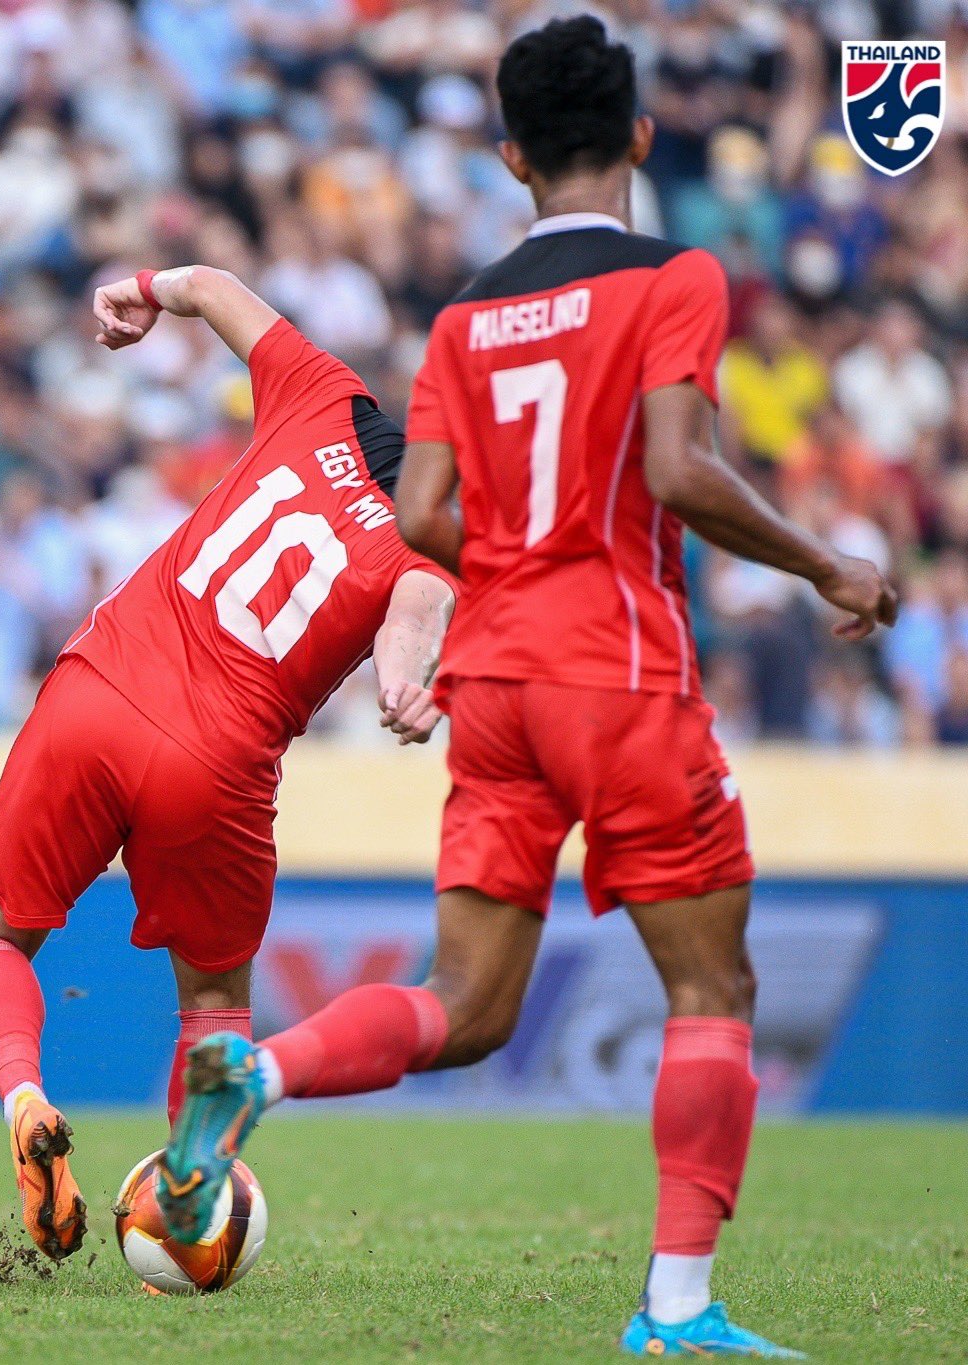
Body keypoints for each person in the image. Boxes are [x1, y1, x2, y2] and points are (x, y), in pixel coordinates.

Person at [162, 19, 895, 1358]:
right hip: (616, 667)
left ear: (508, 156)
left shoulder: (464, 319)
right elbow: (676, 471)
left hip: (492, 679)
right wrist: (825, 563)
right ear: (640, 137)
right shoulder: (676, 277)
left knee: (469, 1004)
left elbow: (425, 507)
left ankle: (258, 1065)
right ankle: (677, 1312)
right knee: (711, 992)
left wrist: (504, 576)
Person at [0, 262, 457, 1263]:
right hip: (216, 760)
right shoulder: (434, 548)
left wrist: (139, 286)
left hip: (96, 690)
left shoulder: (322, 395)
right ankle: (185, 1202)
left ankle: (23, 1099)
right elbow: (415, 617)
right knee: (216, 1004)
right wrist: (405, 687)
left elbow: (214, 287)